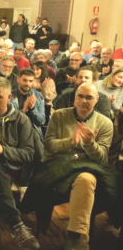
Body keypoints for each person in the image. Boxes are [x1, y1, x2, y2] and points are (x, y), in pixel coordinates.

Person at [21, 82, 113, 250]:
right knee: (84, 180)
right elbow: (49, 145)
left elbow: (101, 158)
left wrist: (90, 144)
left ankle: (75, 238)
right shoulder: (60, 116)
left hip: (87, 167)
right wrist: (71, 141)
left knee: (86, 179)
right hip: (59, 165)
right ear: (74, 97)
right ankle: (79, 240)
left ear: (97, 100)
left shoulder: (105, 123)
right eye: (80, 96)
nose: (84, 101)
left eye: (89, 97)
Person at [0, 77, 40, 250]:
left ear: (9, 97)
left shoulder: (21, 120)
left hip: (11, 168)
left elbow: (29, 154)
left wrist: (2, 149)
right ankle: (16, 225)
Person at [11, 69, 46, 137]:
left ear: (34, 81)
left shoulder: (38, 96)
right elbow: (9, 120)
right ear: (18, 79)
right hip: (15, 132)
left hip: (33, 132)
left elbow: (42, 122)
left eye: (30, 81)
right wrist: (23, 110)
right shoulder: (10, 96)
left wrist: (32, 108)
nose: (27, 83)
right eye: (25, 80)